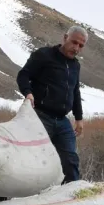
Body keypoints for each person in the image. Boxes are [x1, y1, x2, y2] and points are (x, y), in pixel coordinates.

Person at [16, 25, 87, 184]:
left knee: (70, 160)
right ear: (65, 37)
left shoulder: (75, 65)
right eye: (74, 42)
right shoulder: (44, 55)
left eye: (81, 46)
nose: (76, 48)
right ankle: (1, 196)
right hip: (40, 116)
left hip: (62, 120)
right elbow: (23, 75)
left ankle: (70, 198)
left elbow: (75, 91)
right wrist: (28, 92)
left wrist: (79, 118)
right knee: (28, 156)